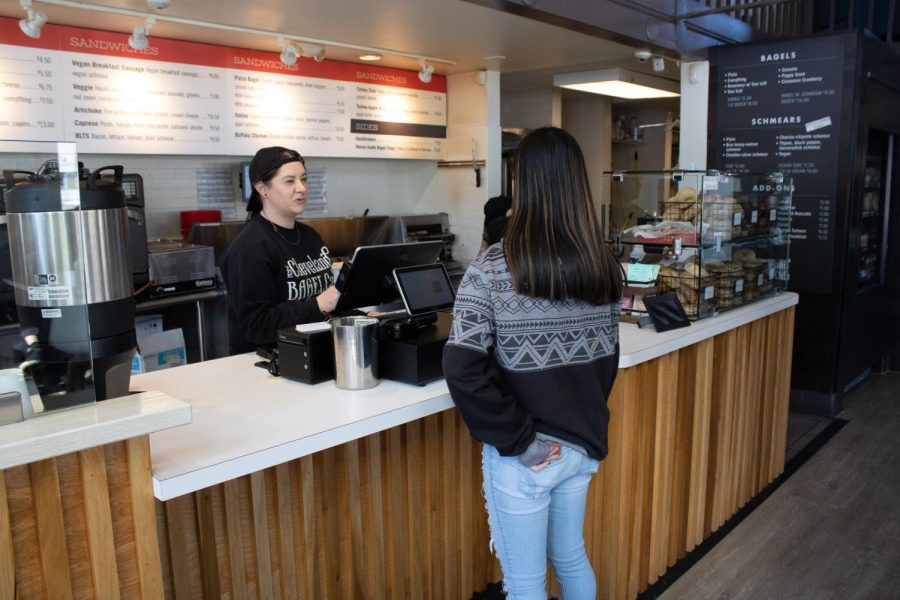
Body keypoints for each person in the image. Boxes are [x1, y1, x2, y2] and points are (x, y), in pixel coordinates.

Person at [443, 127, 623, 599]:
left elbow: (462, 369)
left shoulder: (492, 268)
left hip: (528, 456)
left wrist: (521, 440)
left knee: (525, 585)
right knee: (571, 557)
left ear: (522, 182)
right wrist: (579, 421)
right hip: (582, 444)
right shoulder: (602, 263)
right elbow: (607, 358)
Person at [220, 146, 340, 354]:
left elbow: (326, 298)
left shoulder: (311, 236)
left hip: (311, 353)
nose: (301, 188)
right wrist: (317, 305)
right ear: (262, 189)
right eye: (289, 181)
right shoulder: (250, 248)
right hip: (265, 365)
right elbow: (256, 325)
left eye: (304, 179)